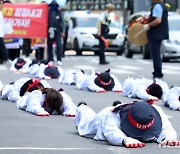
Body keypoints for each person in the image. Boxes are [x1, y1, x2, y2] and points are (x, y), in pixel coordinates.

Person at [75, 100, 180, 148]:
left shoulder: (155, 110)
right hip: (100, 121)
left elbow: (166, 127)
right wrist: (125, 139)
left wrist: (168, 138)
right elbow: (111, 132)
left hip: (131, 110)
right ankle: (83, 107)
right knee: (86, 122)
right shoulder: (111, 116)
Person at [143, 0, 169, 79]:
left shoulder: (157, 6)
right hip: (159, 33)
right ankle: (157, 72)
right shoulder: (162, 5)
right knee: (156, 54)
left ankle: (158, 73)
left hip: (156, 34)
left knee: (156, 54)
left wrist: (148, 25)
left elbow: (158, 20)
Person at [47, 0, 64, 66]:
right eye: (52, 5)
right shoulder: (48, 12)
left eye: (55, 5)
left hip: (57, 31)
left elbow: (62, 22)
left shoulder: (59, 13)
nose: (53, 7)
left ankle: (59, 59)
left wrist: (63, 31)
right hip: (49, 30)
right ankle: (50, 59)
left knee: (59, 45)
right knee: (49, 46)